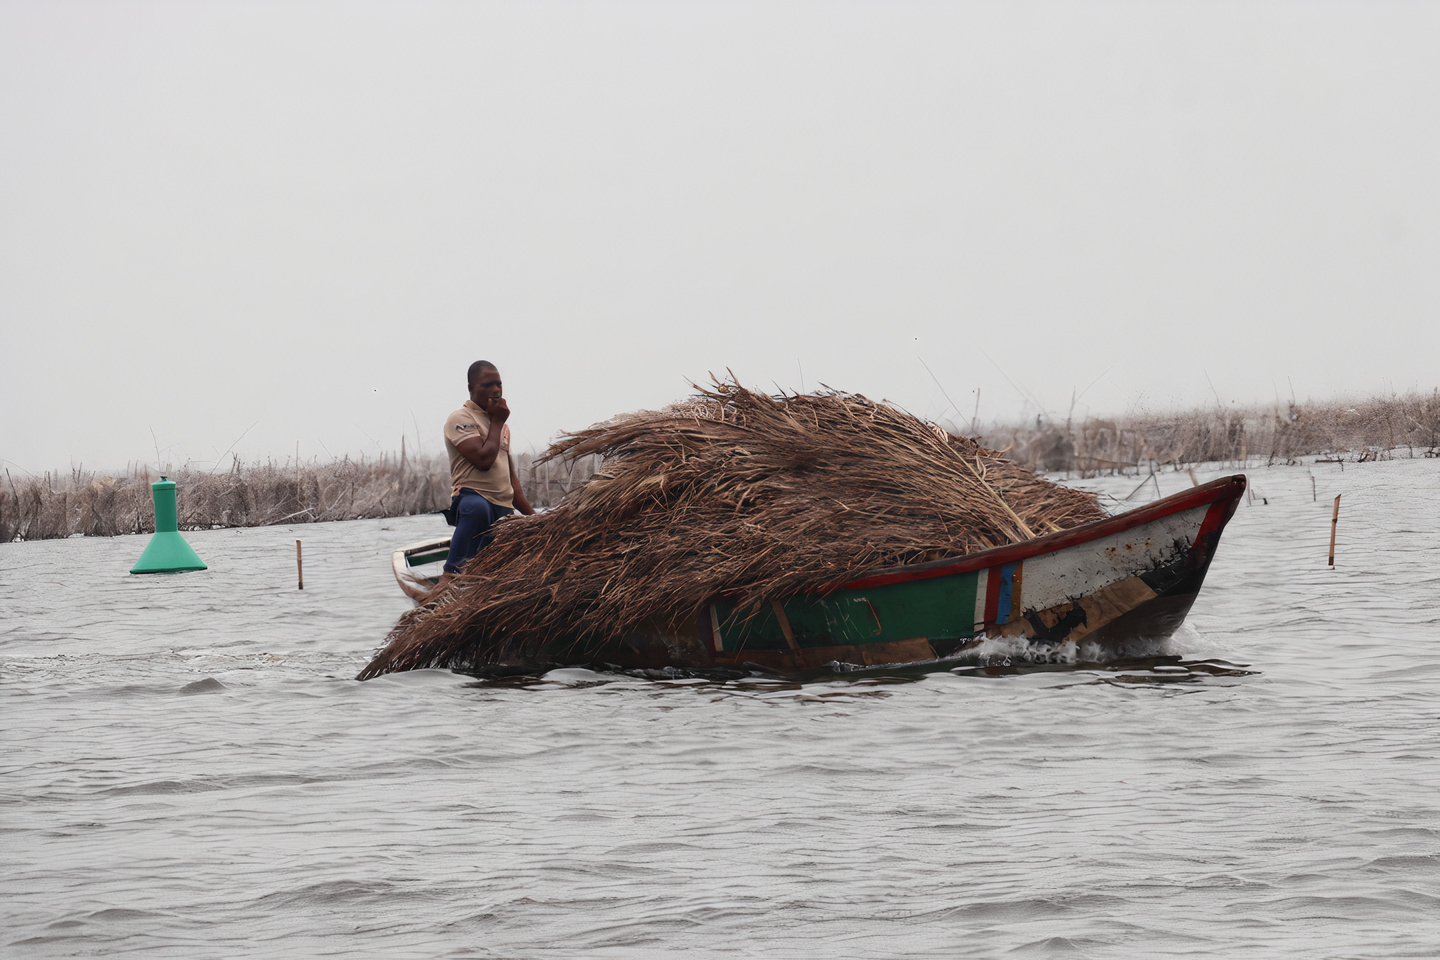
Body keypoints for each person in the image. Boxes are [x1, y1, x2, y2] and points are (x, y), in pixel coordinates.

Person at [441, 360, 535, 578]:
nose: (495, 390)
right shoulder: (461, 418)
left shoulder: (501, 426)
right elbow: (484, 460)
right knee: (478, 509)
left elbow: (512, 483)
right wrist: (497, 422)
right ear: (471, 388)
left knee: (512, 540)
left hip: (502, 507)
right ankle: (449, 577)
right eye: (487, 385)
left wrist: (536, 520)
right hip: (472, 500)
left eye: (498, 384)